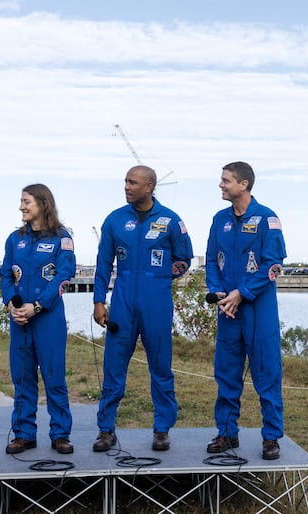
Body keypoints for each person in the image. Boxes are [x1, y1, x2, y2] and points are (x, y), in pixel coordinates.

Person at [92, 165, 193, 452]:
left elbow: (183, 258)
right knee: (113, 367)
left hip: (156, 303)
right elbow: (103, 263)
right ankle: (106, 430)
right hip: (122, 301)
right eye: (125, 181)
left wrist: (160, 277)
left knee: (160, 368)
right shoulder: (114, 220)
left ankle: (162, 429)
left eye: (132, 182)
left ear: (149, 187)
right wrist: (99, 300)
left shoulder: (171, 221)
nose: (126, 186)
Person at [204, 161, 287, 460]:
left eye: (226, 180)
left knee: (267, 374)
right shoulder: (219, 219)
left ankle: (271, 437)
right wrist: (218, 293)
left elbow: (273, 265)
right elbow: (212, 260)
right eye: (221, 179)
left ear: (244, 184)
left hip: (258, 311)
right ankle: (227, 433)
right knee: (226, 374)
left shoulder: (267, 218)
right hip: (228, 311)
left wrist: (243, 293)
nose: (221, 185)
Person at [0, 184, 76, 455]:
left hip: (48, 319)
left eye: (26, 201)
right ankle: (24, 433)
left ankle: (60, 434)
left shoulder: (61, 238)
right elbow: (6, 275)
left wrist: (38, 306)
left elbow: (63, 276)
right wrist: (12, 303)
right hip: (20, 320)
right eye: (21, 201)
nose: (21, 206)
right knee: (22, 379)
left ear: (43, 204)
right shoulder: (14, 239)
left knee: (54, 378)